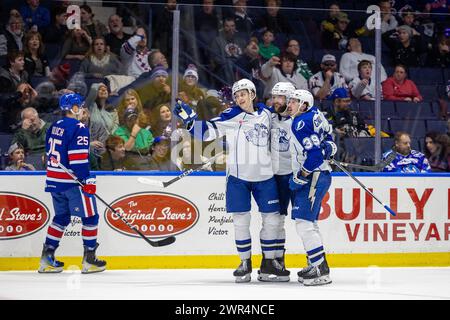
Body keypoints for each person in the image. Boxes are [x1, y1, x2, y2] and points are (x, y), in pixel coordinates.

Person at [174, 78, 288, 283]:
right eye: (236, 95)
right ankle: (245, 262)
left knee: (272, 220)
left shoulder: (267, 114)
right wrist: (190, 121)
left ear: (252, 94)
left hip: (265, 177)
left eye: (242, 94)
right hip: (238, 178)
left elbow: (287, 118)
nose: (239, 98)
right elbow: (207, 132)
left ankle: (269, 262)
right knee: (240, 221)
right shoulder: (231, 115)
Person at [39, 92, 106, 274]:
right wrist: (86, 181)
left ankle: (46, 259)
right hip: (72, 183)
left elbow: (48, 153)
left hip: (54, 181)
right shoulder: (79, 127)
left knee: (61, 218)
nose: (83, 109)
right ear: (74, 108)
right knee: (91, 217)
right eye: (81, 106)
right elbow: (77, 160)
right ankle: (89, 260)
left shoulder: (53, 126)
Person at [286, 89, 336, 286]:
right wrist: (327, 148)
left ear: (304, 105)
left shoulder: (301, 123)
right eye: (289, 101)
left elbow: (314, 157)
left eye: (294, 101)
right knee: (309, 223)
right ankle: (317, 263)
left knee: (303, 223)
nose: (289, 105)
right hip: (322, 174)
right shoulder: (317, 115)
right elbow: (330, 145)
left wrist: (301, 175)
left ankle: (320, 269)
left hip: (314, 176)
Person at [268, 82, 296, 270]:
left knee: (305, 221)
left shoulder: (299, 120)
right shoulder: (268, 117)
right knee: (277, 218)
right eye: (274, 96)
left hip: (296, 175)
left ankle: (315, 260)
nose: (275, 101)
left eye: (280, 97)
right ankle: (278, 259)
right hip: (275, 176)